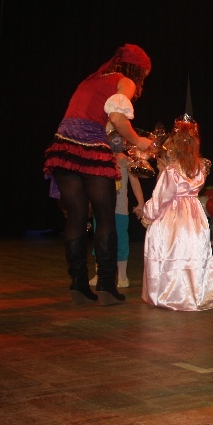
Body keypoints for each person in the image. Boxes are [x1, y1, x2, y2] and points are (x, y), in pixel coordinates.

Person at [43, 44, 153, 305]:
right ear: (137, 70)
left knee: (76, 216)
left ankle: (78, 283)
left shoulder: (91, 80)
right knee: (105, 216)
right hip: (90, 144)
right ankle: (105, 284)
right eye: (144, 75)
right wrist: (138, 141)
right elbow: (117, 117)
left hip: (64, 145)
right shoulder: (124, 81)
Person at [141, 115, 213, 311]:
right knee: (192, 253)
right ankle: (193, 295)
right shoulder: (201, 167)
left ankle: (168, 295)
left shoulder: (172, 171)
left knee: (169, 251)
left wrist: (148, 215)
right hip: (194, 215)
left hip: (172, 215)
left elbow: (161, 197)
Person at [89, 136, 145, 289]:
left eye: (120, 138)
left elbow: (135, 183)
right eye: (113, 138)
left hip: (120, 210)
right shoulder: (99, 159)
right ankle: (99, 273)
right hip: (101, 209)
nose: (117, 141)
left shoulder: (126, 161)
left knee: (121, 242)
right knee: (100, 241)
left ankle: (122, 275)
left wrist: (141, 203)